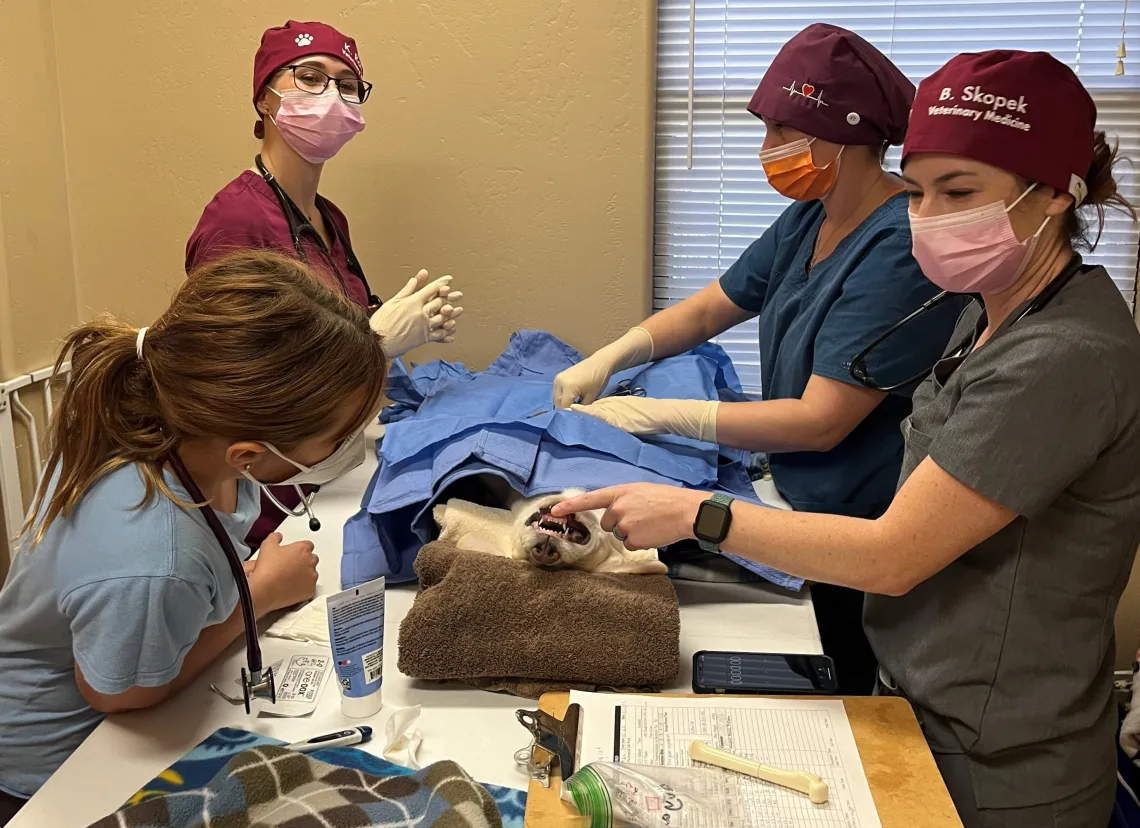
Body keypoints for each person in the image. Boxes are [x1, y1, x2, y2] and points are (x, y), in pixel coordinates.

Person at [554, 49, 1140, 828]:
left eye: (959, 193)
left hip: (999, 759)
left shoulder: (1061, 356)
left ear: (1056, 195)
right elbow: (714, 305)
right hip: (927, 697)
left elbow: (894, 554)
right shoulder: (991, 310)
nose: (926, 217)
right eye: (922, 191)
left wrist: (701, 512)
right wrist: (619, 354)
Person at [555, 23, 963, 694]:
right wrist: (614, 353)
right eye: (767, 129)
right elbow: (712, 307)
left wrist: (660, 414)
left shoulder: (899, 247)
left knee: (841, 685)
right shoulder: (814, 213)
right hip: (792, 494)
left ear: (850, 135)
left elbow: (820, 422)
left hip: (854, 521)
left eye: (785, 132)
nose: (768, 150)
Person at [0, 250, 388, 820]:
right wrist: (258, 597)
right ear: (249, 453)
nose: (346, 448)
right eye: (336, 440)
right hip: (57, 767)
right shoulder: (155, 559)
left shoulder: (165, 431)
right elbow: (120, 696)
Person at [186, 20, 463, 550]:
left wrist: (392, 321)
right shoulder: (236, 222)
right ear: (265, 98)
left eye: (347, 83)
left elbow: (318, 331)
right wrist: (376, 343)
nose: (332, 96)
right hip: (263, 494)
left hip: (326, 464)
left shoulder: (328, 217)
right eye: (310, 77)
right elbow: (225, 390)